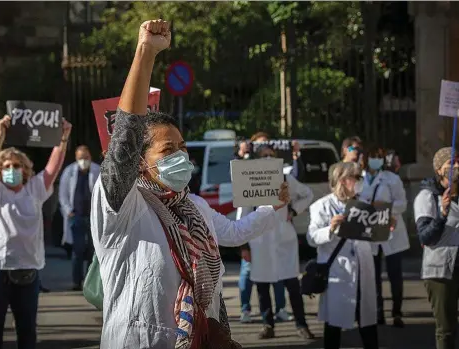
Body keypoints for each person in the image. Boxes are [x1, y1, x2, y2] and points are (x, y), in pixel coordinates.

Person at [91, 19, 291, 348]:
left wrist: (273, 206)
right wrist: (146, 52)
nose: (181, 156)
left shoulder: (194, 207)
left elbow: (234, 233)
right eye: (168, 150)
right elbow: (124, 138)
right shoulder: (124, 208)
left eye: (183, 148)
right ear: (140, 162)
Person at [0, 114, 71, 349]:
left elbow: (53, 166)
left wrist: (63, 138)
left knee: (27, 331)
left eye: (16, 165)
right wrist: (0, 134)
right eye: (7, 166)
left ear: (25, 169)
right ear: (1, 170)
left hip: (27, 271)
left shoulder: (35, 189)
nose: (12, 169)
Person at [238, 144, 315, 340]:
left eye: (271, 155)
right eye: (263, 156)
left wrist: (293, 210)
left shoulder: (285, 178)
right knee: (263, 286)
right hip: (260, 240)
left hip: (283, 238)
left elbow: (308, 194)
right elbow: (243, 214)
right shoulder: (249, 179)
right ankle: (267, 324)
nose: (267, 158)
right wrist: (244, 245)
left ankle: (301, 324)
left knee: (292, 284)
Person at [413, 147, 459, 349]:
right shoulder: (427, 197)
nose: (456, 166)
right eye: (450, 163)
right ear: (438, 169)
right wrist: (442, 215)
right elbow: (426, 237)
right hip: (441, 273)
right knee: (447, 330)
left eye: (458, 161)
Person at [308, 161, 379, 349]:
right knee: (334, 325)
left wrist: (386, 227)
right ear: (343, 180)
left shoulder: (363, 205)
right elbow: (311, 237)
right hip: (338, 273)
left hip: (363, 271)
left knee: (368, 324)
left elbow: (375, 237)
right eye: (356, 177)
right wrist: (330, 228)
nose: (359, 181)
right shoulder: (321, 206)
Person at [236, 131, 292, 324]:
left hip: (275, 235)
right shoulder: (248, 172)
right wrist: (243, 244)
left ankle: (281, 308)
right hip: (254, 235)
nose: (266, 153)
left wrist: (297, 156)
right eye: (260, 148)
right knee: (248, 271)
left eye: (269, 149)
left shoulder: (281, 175)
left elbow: (296, 178)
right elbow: (242, 210)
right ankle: (245, 309)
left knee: (277, 273)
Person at [359, 146, 408, 327]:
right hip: (370, 230)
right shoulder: (359, 179)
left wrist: (386, 208)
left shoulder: (391, 179)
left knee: (395, 273)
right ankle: (378, 312)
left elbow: (402, 203)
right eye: (373, 156)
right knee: (374, 275)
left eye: (379, 157)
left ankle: (397, 312)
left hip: (390, 229)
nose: (376, 160)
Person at [58, 145, 100, 290]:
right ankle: (77, 282)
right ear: (76, 158)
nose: (83, 160)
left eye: (86, 157)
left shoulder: (97, 170)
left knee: (92, 250)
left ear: (91, 157)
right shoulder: (69, 171)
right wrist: (68, 211)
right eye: (80, 158)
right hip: (76, 216)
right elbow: (62, 194)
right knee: (77, 251)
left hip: (93, 217)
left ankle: (89, 282)